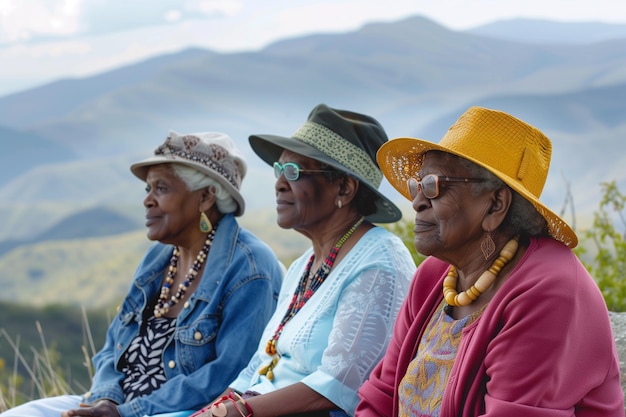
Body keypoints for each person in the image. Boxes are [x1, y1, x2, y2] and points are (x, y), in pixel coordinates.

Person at [355, 106, 625, 417]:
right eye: (418, 185)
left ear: (496, 204)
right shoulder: (435, 276)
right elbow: (382, 395)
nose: (416, 202)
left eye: (435, 186)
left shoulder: (549, 290)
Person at [2, 131, 284, 417]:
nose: (147, 200)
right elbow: (113, 348)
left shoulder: (251, 268)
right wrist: (106, 402)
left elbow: (228, 375)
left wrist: (128, 413)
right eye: (148, 189)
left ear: (205, 198)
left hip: (184, 412)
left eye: (161, 188)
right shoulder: (159, 259)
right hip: (118, 407)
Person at [188, 104, 416, 417]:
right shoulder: (303, 265)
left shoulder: (379, 261)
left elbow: (339, 386)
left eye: (294, 172)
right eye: (278, 170)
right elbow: (258, 367)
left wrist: (236, 413)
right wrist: (209, 412)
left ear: (344, 188)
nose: (280, 183)